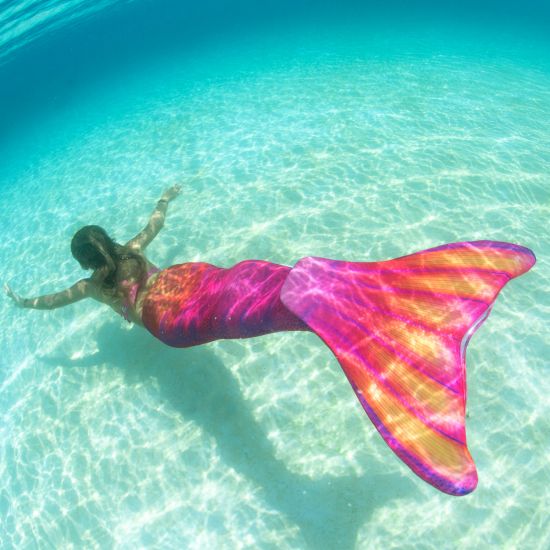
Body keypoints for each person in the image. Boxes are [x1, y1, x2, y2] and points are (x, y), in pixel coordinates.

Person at [4, 186, 536, 497]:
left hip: (167, 318)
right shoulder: (136, 249)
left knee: (245, 311)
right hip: (191, 277)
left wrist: (17, 301)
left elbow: (50, 301)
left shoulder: (91, 286)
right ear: (112, 243)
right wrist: (167, 194)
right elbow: (155, 220)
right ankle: (333, 295)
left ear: (86, 262)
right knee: (246, 284)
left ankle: (351, 324)